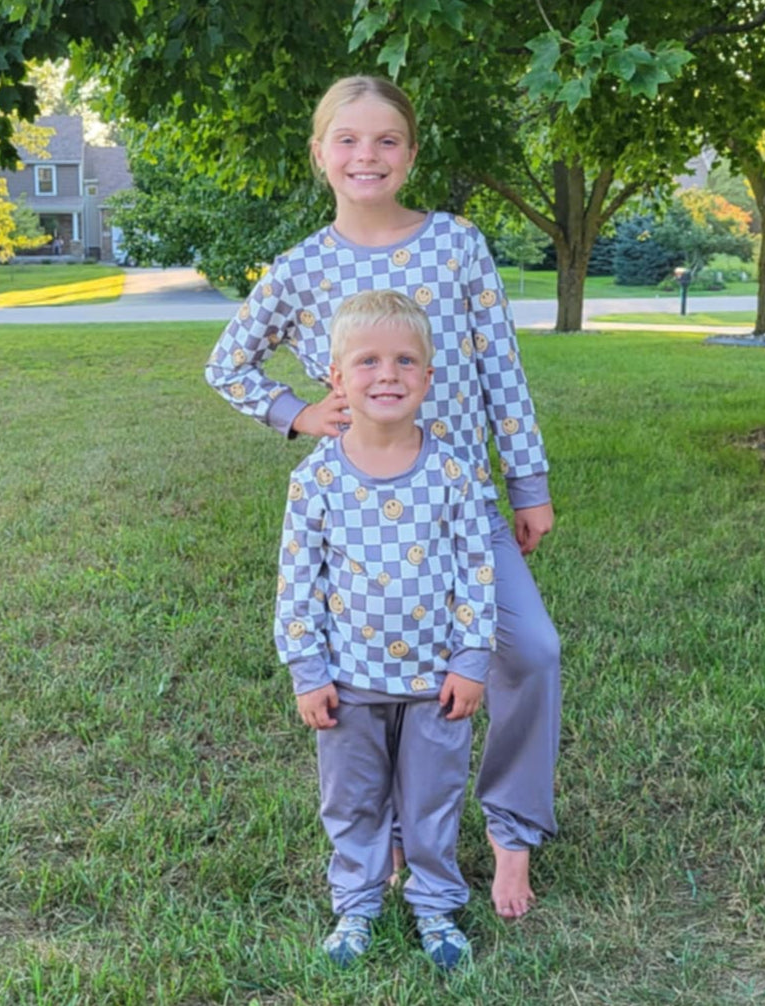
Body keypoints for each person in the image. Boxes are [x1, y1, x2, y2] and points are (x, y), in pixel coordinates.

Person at [206, 74, 560, 920]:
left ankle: (511, 832)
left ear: (410, 152)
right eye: (349, 140)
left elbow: (500, 367)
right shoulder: (300, 269)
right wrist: (297, 413)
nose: (368, 156)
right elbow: (227, 364)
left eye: (387, 140)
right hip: (363, 522)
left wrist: (526, 479)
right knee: (384, 678)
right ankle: (397, 835)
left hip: (463, 503)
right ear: (321, 153)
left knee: (530, 652)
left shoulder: (457, 245)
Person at [275, 289, 495, 969]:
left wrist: (472, 658)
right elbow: (296, 586)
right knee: (352, 803)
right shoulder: (316, 482)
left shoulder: (453, 473)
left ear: (429, 377)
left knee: (432, 799)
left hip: (436, 683)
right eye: (367, 361)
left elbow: (476, 571)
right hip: (349, 685)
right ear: (336, 378)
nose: (388, 375)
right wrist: (308, 672)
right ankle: (357, 906)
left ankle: (435, 906)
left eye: (405, 360)